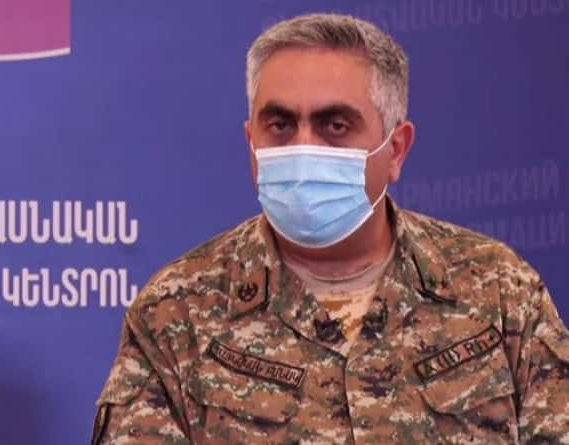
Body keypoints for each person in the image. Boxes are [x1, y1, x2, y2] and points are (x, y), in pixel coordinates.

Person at [92, 13, 569, 445]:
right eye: (280, 125)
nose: (304, 147)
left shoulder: (499, 289)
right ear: (251, 142)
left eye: (335, 126)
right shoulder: (175, 310)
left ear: (396, 149)